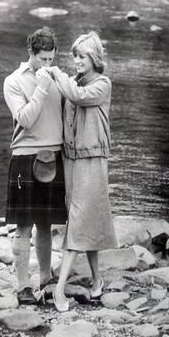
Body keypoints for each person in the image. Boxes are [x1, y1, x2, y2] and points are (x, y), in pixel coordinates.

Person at [41, 31, 118, 312]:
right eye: (75, 55)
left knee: (77, 221)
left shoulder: (101, 85)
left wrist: (58, 76)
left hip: (92, 161)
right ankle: (97, 280)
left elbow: (77, 96)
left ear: (95, 58)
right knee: (84, 220)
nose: (77, 61)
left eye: (82, 56)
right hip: (71, 160)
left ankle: (59, 291)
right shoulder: (72, 83)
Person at [3, 27, 67, 304]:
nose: (47, 65)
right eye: (43, 59)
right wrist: (42, 87)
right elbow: (25, 120)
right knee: (24, 226)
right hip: (25, 156)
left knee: (45, 224)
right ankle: (22, 286)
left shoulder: (57, 77)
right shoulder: (13, 81)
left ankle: (46, 279)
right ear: (31, 53)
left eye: (51, 59)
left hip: (54, 154)